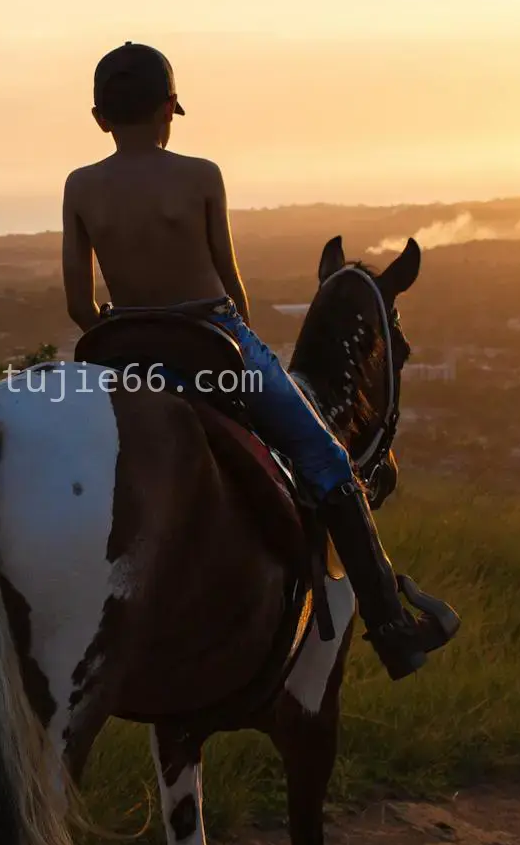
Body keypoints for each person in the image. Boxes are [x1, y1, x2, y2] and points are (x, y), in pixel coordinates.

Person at [62, 41, 458, 680]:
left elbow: (82, 304)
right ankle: (393, 631)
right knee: (327, 460)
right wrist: (234, 330)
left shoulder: (80, 187)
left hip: (128, 354)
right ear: (170, 110)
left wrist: (128, 338)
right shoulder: (201, 176)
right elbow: (232, 285)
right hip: (211, 342)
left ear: (99, 118)